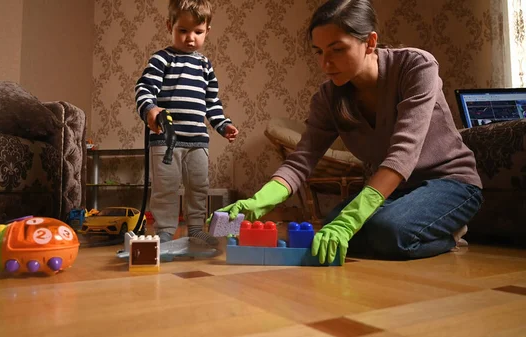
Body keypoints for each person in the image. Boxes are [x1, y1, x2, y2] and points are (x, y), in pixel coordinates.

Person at [213, 0, 483, 264]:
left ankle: (450, 236)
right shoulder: (328, 97)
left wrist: (352, 220)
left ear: (371, 42)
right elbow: (300, 161)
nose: (325, 64)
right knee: (330, 228)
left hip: (450, 182)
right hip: (396, 191)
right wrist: (255, 204)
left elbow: (404, 152)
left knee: (388, 231)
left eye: (337, 49)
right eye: (318, 52)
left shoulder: (416, 67)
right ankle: (406, 224)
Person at [135, 0, 238, 246]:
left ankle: (195, 228)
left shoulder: (204, 65)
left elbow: (212, 102)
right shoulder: (162, 59)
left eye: (198, 32)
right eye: (183, 30)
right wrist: (150, 109)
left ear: (207, 31)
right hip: (166, 139)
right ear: (170, 26)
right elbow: (144, 89)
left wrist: (223, 125)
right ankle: (165, 231)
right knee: (166, 188)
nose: (190, 38)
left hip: (197, 140)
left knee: (198, 186)